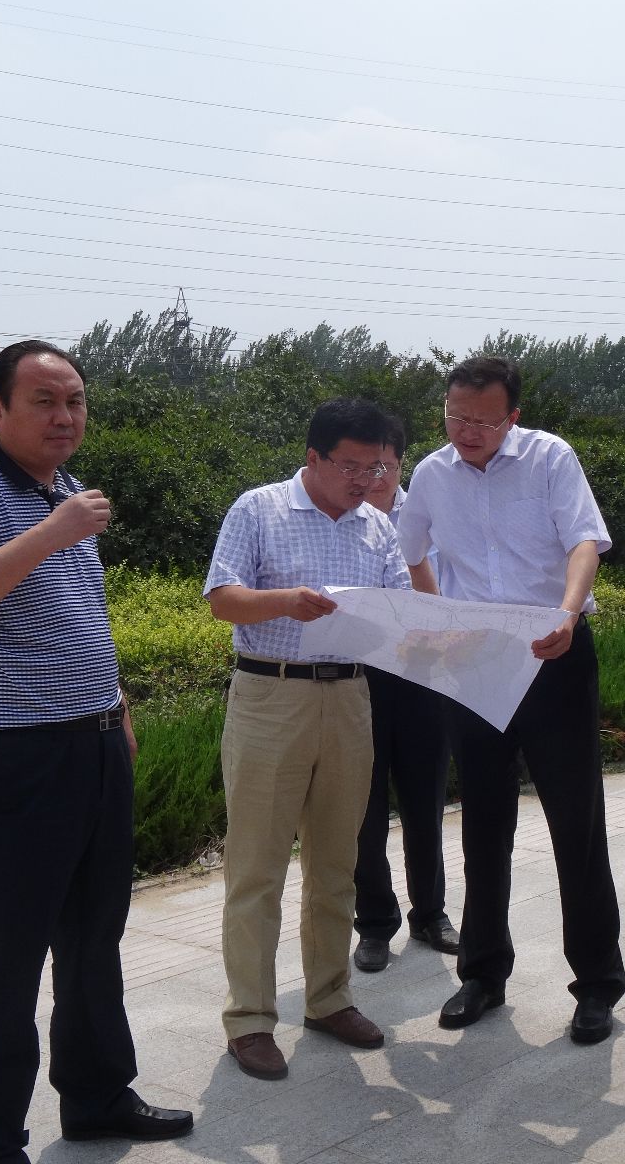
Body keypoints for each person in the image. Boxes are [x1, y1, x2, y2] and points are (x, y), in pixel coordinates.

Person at [0, 341, 192, 1164]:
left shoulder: (64, 489)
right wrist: (50, 533)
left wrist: (115, 706)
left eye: (75, 400)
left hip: (91, 749)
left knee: (92, 941)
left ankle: (97, 1098)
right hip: (10, 762)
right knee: (1, 964)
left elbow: (76, 620)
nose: (65, 416)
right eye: (44, 401)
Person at [398, 355, 625, 1044]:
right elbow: (412, 552)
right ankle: (482, 973)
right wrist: (441, 619)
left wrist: (567, 612)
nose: (467, 430)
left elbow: (584, 540)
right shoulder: (432, 475)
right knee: (483, 821)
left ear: (513, 416)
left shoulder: (550, 458)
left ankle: (597, 985)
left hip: (553, 651)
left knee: (575, 821)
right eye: (455, 416)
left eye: (483, 420)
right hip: (475, 659)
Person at [205, 396, 411, 1082]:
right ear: (314, 458)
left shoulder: (378, 526)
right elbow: (222, 598)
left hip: (350, 696)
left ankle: (328, 999)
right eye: (351, 466)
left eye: (375, 467)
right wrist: (287, 602)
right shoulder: (259, 509)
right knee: (257, 866)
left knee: (337, 862)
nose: (364, 480)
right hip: (272, 694)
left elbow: (400, 611)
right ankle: (250, 1018)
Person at [351, 416, 458, 973]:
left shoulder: (431, 515)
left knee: (425, 800)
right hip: (360, 676)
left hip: (423, 674)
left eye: (385, 466)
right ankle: (374, 922)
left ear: (400, 464)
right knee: (363, 807)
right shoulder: (343, 518)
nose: (375, 477)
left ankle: (430, 913)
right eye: (364, 466)